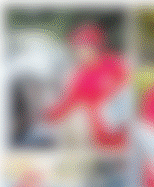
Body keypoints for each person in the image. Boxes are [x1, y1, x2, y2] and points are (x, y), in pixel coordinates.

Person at [44, 23, 129, 151]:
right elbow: (66, 104)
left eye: (85, 47)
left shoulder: (115, 64)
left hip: (125, 134)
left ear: (96, 47)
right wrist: (46, 116)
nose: (81, 52)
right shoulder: (79, 76)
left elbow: (129, 90)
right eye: (78, 48)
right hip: (99, 139)